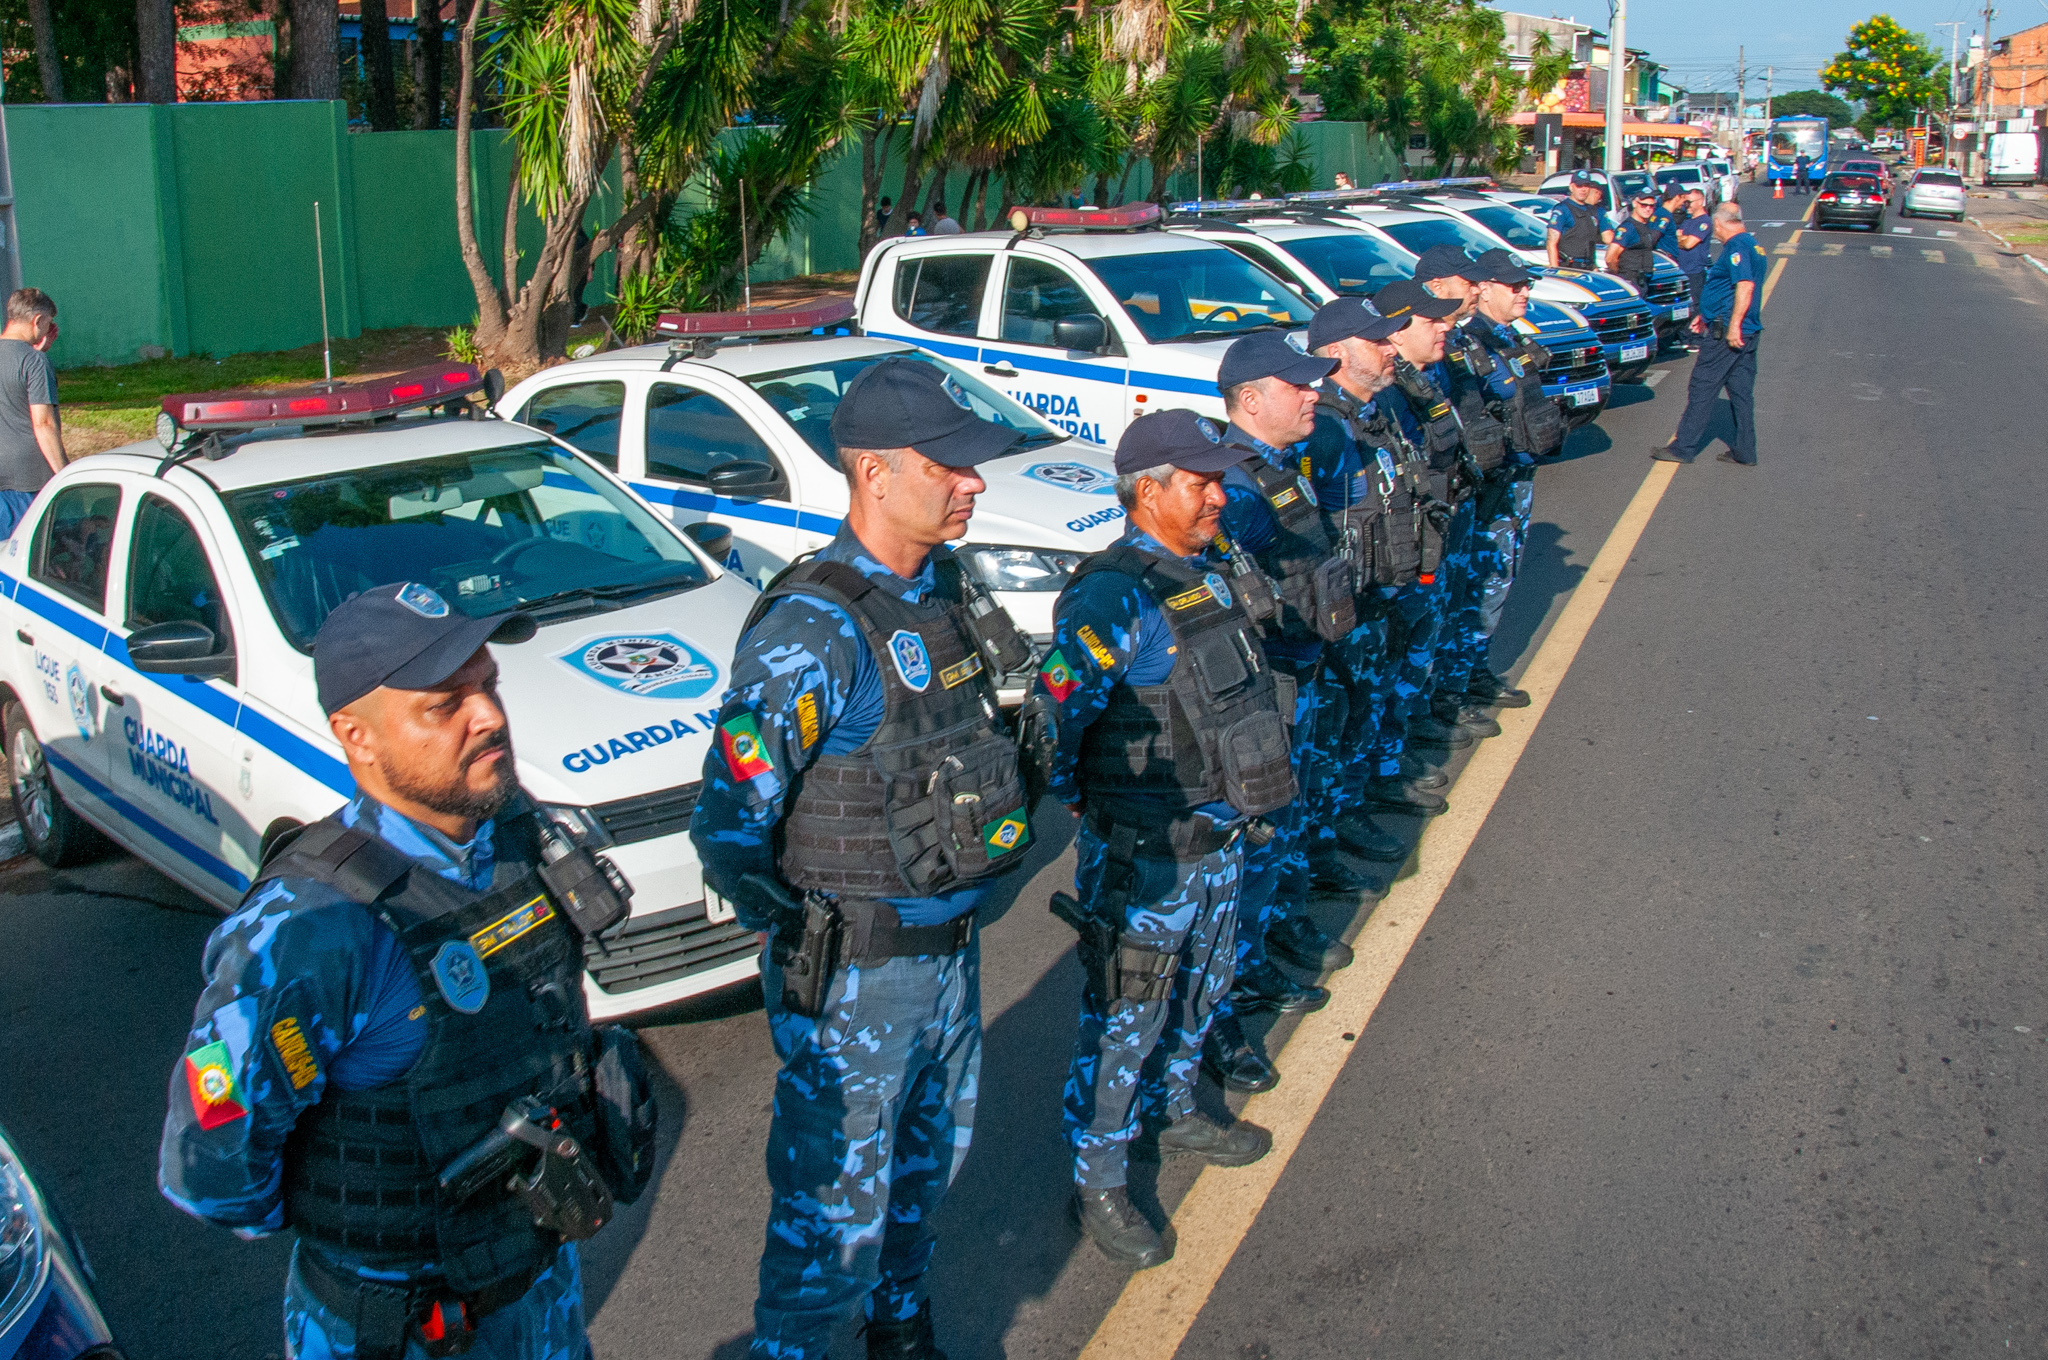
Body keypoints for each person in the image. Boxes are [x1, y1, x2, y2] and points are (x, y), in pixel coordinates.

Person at [159, 583, 652, 1360]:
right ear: (357, 737)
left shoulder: (515, 836)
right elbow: (212, 1164)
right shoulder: (315, 928)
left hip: (540, 1288)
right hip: (403, 1328)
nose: (488, 715)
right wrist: (356, 1214)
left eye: (487, 685)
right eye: (444, 704)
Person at [689, 357, 1032, 1360]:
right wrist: (803, 937)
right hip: (855, 982)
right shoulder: (813, 630)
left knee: (923, 1178)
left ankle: (901, 1333)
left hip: (946, 962)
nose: (973, 482)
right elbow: (726, 819)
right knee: (827, 1231)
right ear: (875, 474)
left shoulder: (944, 592)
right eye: (950, 466)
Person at [1037, 408, 1285, 1269]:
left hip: (1220, 836)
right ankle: (1099, 1172)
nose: (1219, 496)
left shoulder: (1203, 570)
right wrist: (1079, 796)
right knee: (1124, 1015)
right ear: (1149, 491)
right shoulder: (1114, 594)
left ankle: (1175, 1107)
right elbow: (1057, 717)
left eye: (1219, 479)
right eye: (1201, 482)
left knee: (1202, 987)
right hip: (1146, 853)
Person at [1206, 331, 1365, 1084]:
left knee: (1273, 848)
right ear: (1250, 399)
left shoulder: (1274, 469)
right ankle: (1221, 1009)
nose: (1313, 395)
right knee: (1245, 858)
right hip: (1259, 707)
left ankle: (1263, 952)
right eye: (1297, 386)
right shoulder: (1229, 490)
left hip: (1297, 688)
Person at [1441, 248, 1556, 710]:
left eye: (1526, 285)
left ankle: (1474, 670)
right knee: (1480, 581)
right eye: (1515, 286)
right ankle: (1457, 681)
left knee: (1499, 579)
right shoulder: (1469, 344)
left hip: (1516, 477)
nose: (1524, 293)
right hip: (1491, 485)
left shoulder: (1508, 337)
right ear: (1484, 289)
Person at [1654, 203, 1761, 468]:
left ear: (1721, 224)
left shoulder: (1736, 247)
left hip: (1727, 334)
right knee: (1740, 392)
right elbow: (1728, 289)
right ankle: (1745, 450)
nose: (1715, 234)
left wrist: (1733, 324)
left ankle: (1683, 447)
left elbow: (1744, 286)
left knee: (1702, 385)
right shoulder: (1753, 245)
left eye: (1716, 229)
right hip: (1744, 330)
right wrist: (1707, 314)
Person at [0, 288, 65, 540]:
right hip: (29, 480)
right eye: (47, 323)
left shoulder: (33, 358)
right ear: (37, 320)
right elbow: (44, 424)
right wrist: (65, 475)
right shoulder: (34, 362)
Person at [1668, 188, 1714, 352]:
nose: (1686, 205)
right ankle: (1683, 336)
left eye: (1690, 202)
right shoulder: (1685, 221)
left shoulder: (1704, 221)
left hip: (1695, 269)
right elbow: (1675, 239)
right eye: (1685, 201)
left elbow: (1689, 243)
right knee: (1680, 303)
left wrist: (1680, 238)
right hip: (1680, 268)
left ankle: (1696, 337)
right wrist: (1680, 238)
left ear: (1700, 202)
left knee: (1695, 303)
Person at [1545, 170, 1612, 269]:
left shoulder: (1594, 211)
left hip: (1589, 265)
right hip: (1569, 266)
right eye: (1579, 186)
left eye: (1586, 186)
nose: (1583, 189)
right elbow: (1551, 242)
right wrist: (1555, 269)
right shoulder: (1563, 209)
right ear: (1571, 187)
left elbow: (1608, 238)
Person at [1605, 190, 1665, 298]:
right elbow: (1610, 257)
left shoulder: (1645, 226)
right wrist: (1620, 277)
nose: (1648, 209)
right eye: (1644, 205)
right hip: (1631, 280)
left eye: (1651, 206)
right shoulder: (1628, 228)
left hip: (1643, 280)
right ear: (1635, 204)